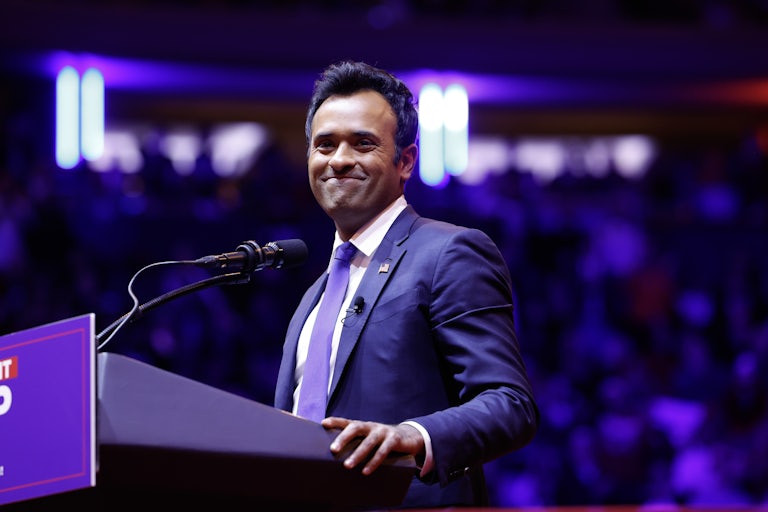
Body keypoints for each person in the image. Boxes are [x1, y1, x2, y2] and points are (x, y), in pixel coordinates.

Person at [274, 60, 539, 508]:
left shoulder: (448, 253)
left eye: (363, 144)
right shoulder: (313, 296)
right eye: (324, 145)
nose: (339, 160)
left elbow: (510, 404)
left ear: (406, 161)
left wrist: (414, 436)